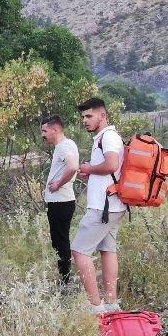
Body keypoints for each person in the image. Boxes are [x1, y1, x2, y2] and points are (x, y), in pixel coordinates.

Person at [72, 97, 125, 314]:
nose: (84, 120)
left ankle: (95, 307)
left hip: (103, 208)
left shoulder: (108, 137)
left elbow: (111, 164)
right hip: (113, 205)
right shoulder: (103, 138)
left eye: (89, 116)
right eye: (83, 117)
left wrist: (89, 168)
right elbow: (111, 170)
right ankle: (111, 303)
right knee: (107, 250)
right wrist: (91, 173)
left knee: (79, 251)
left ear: (102, 116)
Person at [41, 115, 80, 283]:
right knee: (60, 240)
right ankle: (65, 277)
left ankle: (65, 281)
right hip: (63, 202)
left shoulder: (63, 146)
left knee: (60, 241)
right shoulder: (66, 145)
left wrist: (57, 185)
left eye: (44, 131)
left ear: (55, 130)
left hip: (61, 202)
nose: (43, 134)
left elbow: (72, 166)